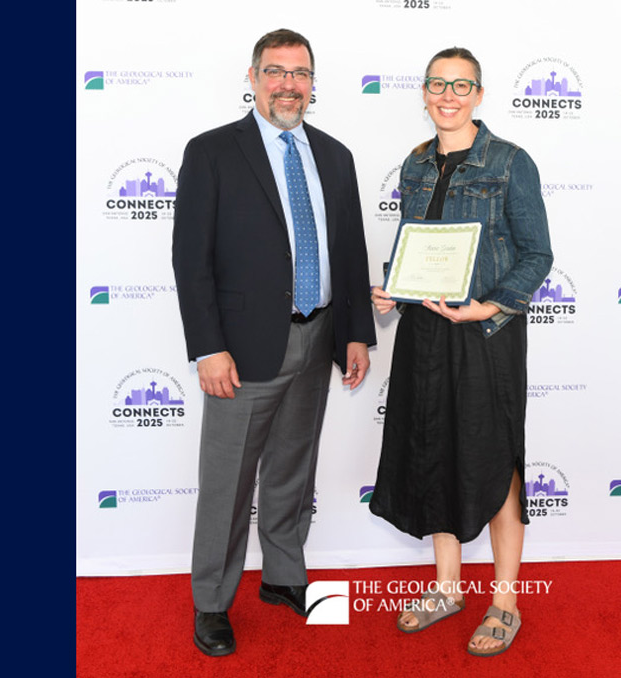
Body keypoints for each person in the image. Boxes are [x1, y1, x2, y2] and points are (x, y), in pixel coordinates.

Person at [172, 28, 376, 657]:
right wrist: (208, 348)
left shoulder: (336, 156)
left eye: (300, 73)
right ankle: (212, 601)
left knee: (292, 471)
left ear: (313, 84)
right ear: (254, 77)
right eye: (276, 71)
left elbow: (349, 250)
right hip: (241, 350)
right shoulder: (211, 152)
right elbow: (191, 260)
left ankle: (285, 578)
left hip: (316, 342)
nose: (289, 84)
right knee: (228, 483)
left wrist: (356, 335)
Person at [369, 47, 553, 658]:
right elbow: (416, 245)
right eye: (437, 84)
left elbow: (537, 255)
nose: (448, 95)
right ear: (423, 93)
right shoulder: (415, 164)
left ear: (479, 94)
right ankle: (447, 589)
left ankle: (505, 602)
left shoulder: (509, 162)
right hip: (425, 331)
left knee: (494, 456)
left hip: (486, 335)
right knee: (434, 450)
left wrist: (490, 306)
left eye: (461, 85)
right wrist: (394, 288)